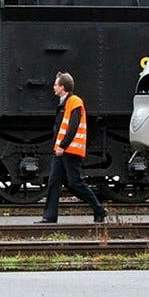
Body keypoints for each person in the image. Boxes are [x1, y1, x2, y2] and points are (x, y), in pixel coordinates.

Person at [38, 71, 107, 224]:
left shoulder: (75, 102)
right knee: (53, 182)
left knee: (75, 183)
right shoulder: (63, 103)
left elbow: (73, 127)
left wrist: (63, 145)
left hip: (70, 150)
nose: (54, 88)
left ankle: (99, 209)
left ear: (63, 87)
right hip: (61, 151)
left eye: (56, 85)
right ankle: (49, 217)